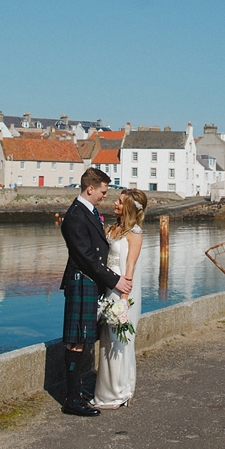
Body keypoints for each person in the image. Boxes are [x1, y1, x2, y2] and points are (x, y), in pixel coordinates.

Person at [59, 168, 131, 417]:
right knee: (76, 341)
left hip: (89, 282)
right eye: (102, 191)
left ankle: (76, 395)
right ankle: (71, 399)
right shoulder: (75, 216)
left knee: (82, 339)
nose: (104, 196)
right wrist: (115, 281)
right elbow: (87, 257)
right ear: (91, 188)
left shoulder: (88, 211)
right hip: (81, 280)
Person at [92, 187, 147, 409]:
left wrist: (124, 300)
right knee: (107, 341)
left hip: (122, 290)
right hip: (107, 289)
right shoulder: (112, 228)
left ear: (130, 208)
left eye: (121, 202)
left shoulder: (134, 234)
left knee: (119, 342)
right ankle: (105, 391)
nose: (116, 203)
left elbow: (130, 266)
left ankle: (119, 391)